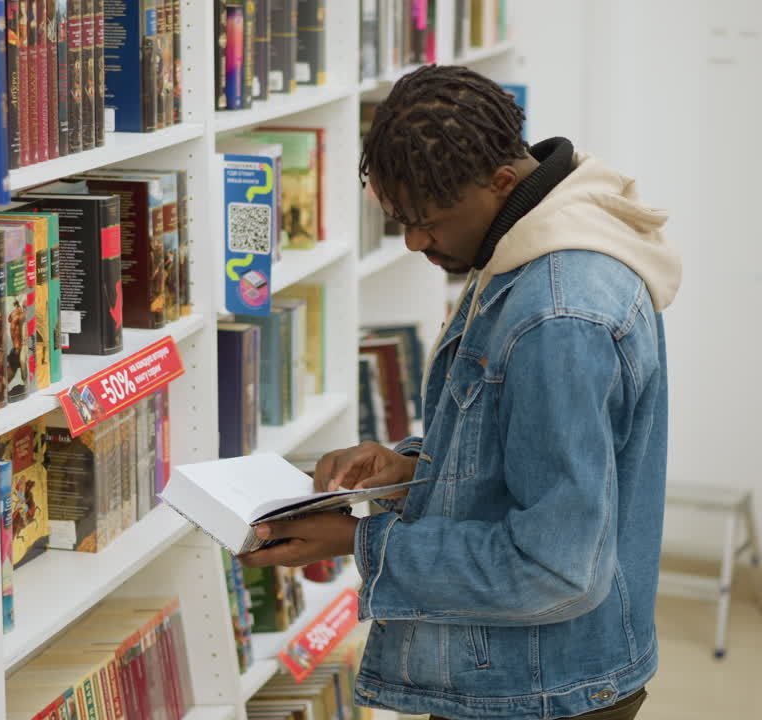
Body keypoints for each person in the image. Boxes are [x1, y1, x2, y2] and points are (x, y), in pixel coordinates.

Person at [238, 65, 681, 720]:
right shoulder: (525, 240)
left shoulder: (558, 315)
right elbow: (520, 459)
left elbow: (554, 567)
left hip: (540, 691)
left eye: (426, 222)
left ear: (501, 183)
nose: (415, 241)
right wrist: (407, 472)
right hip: (532, 676)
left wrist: (359, 541)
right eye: (397, 220)